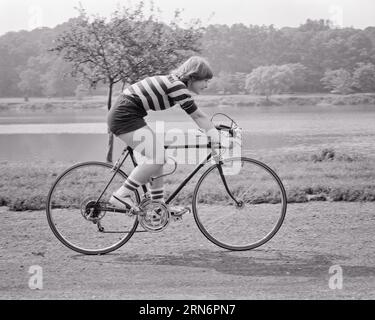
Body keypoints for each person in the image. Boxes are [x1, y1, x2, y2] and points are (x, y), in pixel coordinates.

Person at [107, 56, 220, 215]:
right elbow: (198, 116)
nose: (207, 85)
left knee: (158, 156)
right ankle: (121, 196)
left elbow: (199, 118)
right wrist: (215, 136)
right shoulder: (177, 87)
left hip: (129, 114)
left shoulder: (175, 84)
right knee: (158, 156)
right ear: (193, 77)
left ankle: (158, 206)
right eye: (205, 81)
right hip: (124, 115)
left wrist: (212, 130)